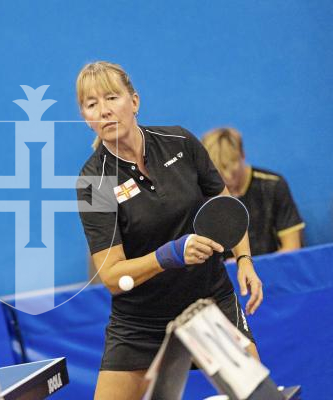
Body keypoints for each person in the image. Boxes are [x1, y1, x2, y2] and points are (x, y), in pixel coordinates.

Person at [75, 61, 264, 400]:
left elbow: (225, 208)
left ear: (134, 101)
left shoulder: (179, 142)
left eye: (112, 98)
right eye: (91, 104)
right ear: (85, 118)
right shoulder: (93, 182)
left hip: (209, 303)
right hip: (140, 324)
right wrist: (172, 253)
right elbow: (112, 277)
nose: (103, 111)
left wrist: (244, 259)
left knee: (257, 396)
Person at [202, 127, 305, 256]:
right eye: (219, 174)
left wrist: (245, 263)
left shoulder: (273, 185)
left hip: (272, 267)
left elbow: (292, 248)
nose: (228, 180)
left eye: (233, 172)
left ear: (243, 154)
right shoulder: (202, 196)